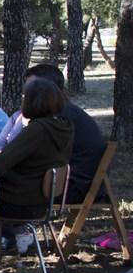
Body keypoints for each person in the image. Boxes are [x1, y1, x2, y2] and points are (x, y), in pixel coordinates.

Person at [0, 78, 74, 254]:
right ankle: (0, 246)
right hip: (42, 200)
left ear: (32, 101)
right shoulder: (65, 127)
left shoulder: (38, 130)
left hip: (21, 200)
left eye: (25, 97)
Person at [24, 63, 105, 204]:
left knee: (5, 190)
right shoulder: (64, 111)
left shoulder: (61, 116)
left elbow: (34, 154)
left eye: (33, 88)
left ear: (49, 88)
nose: (27, 94)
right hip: (72, 183)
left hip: (74, 187)